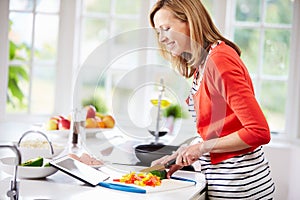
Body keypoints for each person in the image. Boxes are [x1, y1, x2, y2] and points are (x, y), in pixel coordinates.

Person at [149, 0, 275, 199]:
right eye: (158, 32)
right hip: (223, 184)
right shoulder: (204, 64)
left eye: (166, 28)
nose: (162, 38)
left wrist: (200, 148)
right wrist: (182, 154)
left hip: (239, 188)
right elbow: (220, 129)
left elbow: (258, 131)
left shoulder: (220, 60)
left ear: (190, 21)